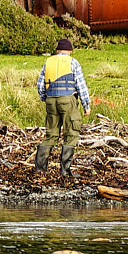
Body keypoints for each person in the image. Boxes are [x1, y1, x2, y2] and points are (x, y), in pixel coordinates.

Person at [35, 38, 90, 179]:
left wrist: (45, 98)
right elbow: (81, 85)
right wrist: (86, 105)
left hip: (51, 100)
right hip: (68, 100)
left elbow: (40, 85)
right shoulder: (73, 62)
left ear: (57, 50)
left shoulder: (48, 62)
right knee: (71, 133)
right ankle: (65, 171)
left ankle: (41, 169)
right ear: (70, 51)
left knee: (51, 134)